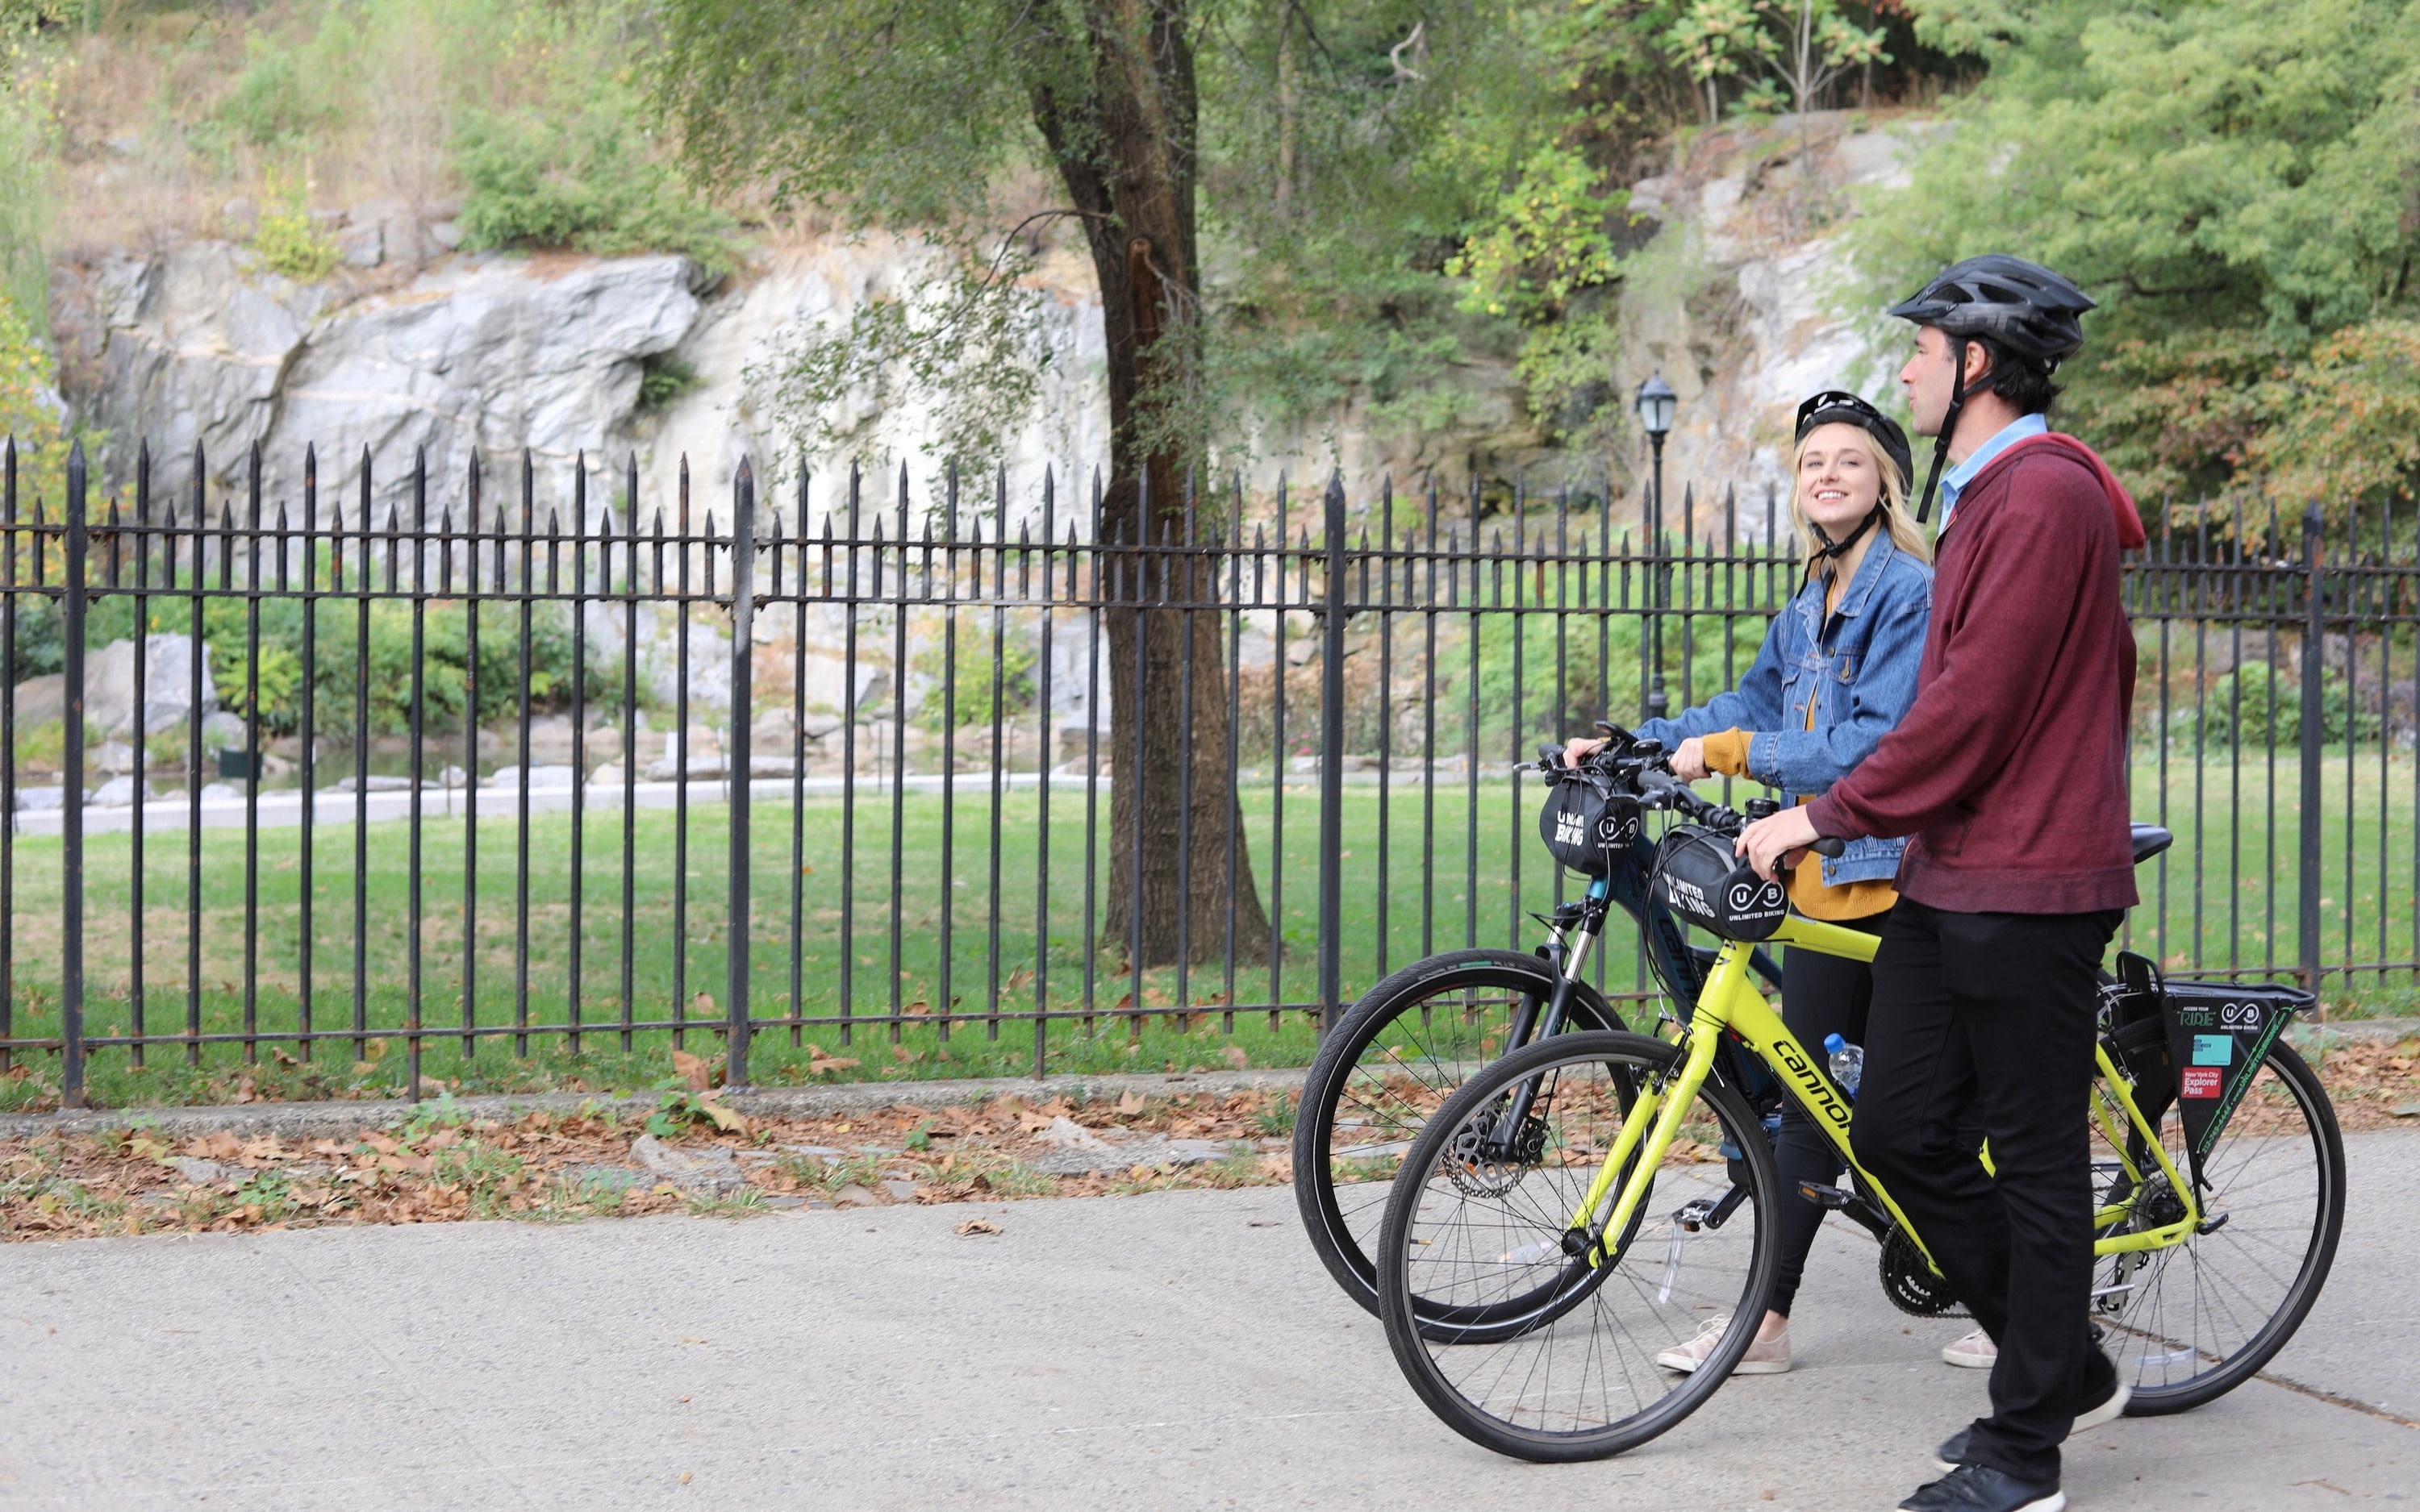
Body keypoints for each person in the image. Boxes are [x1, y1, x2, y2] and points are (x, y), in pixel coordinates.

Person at [1738, 254, 2149, 1512]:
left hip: (2029, 881)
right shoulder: (1988, 496)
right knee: (1898, 1128)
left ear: (1974, 363)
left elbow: (1967, 711)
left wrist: (1820, 810)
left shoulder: (2037, 498)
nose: (1906, 367)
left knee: (2031, 1157)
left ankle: (2027, 1450)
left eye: (1921, 349)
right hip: (1955, 868)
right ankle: (2063, 1364)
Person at [1568, 388, 1934, 1376]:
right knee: (1815, 1104)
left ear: (1884, 482)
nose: (1826, 473)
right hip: (1824, 884)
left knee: (1925, 1120)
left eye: (1848, 460)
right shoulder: (1811, 600)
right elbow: (1753, 702)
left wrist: (1728, 752)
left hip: (1900, 878)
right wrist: (1639, 740)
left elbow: (1875, 742)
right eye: (1813, 460)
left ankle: (2032, 1306)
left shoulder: (1906, 590)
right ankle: (1766, 1325)